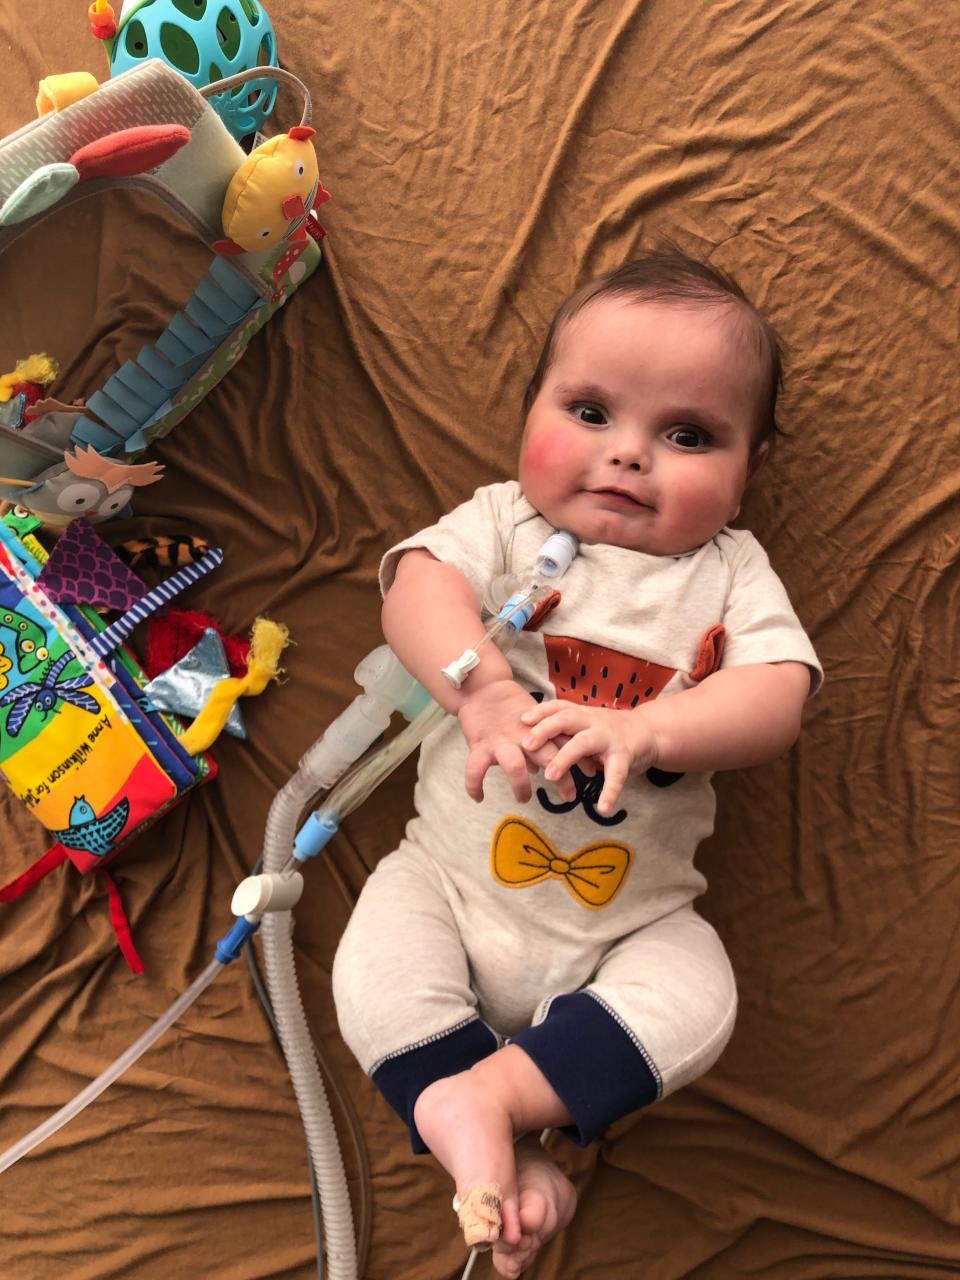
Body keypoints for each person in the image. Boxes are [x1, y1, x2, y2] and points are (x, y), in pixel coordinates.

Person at [332, 249, 822, 1277]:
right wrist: (482, 691)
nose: (629, 455)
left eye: (687, 435)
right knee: (375, 975)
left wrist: (652, 731)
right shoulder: (506, 520)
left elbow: (778, 692)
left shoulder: (728, 571)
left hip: (630, 924)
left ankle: (498, 1099)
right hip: (452, 883)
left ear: (754, 466)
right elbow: (414, 588)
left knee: (700, 994)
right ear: (532, 408)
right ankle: (504, 1152)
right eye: (591, 411)